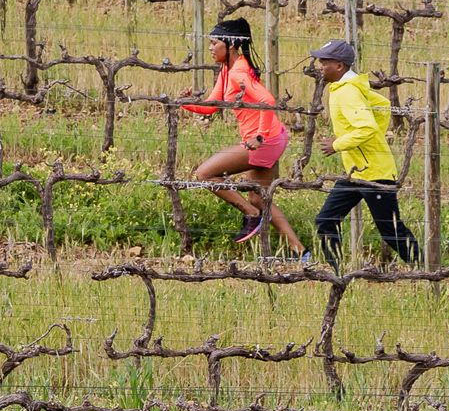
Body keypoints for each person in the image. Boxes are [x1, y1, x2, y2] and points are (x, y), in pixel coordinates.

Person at [181, 16, 306, 256]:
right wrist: (185, 103)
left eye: (214, 43)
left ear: (230, 45)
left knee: (205, 174)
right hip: (273, 137)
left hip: (263, 140)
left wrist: (258, 136)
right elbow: (211, 106)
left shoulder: (239, 73)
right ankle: (301, 252)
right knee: (260, 198)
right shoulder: (228, 70)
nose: (210, 48)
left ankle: (250, 215)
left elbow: (268, 101)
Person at [306, 39, 422, 266]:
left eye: (325, 61)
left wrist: (338, 144)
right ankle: (336, 271)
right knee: (326, 219)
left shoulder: (348, 92)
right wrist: (373, 138)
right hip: (356, 172)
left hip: (375, 172)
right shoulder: (348, 87)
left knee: (390, 230)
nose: (320, 65)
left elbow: (366, 127)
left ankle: (424, 268)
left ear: (339, 66)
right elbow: (383, 106)